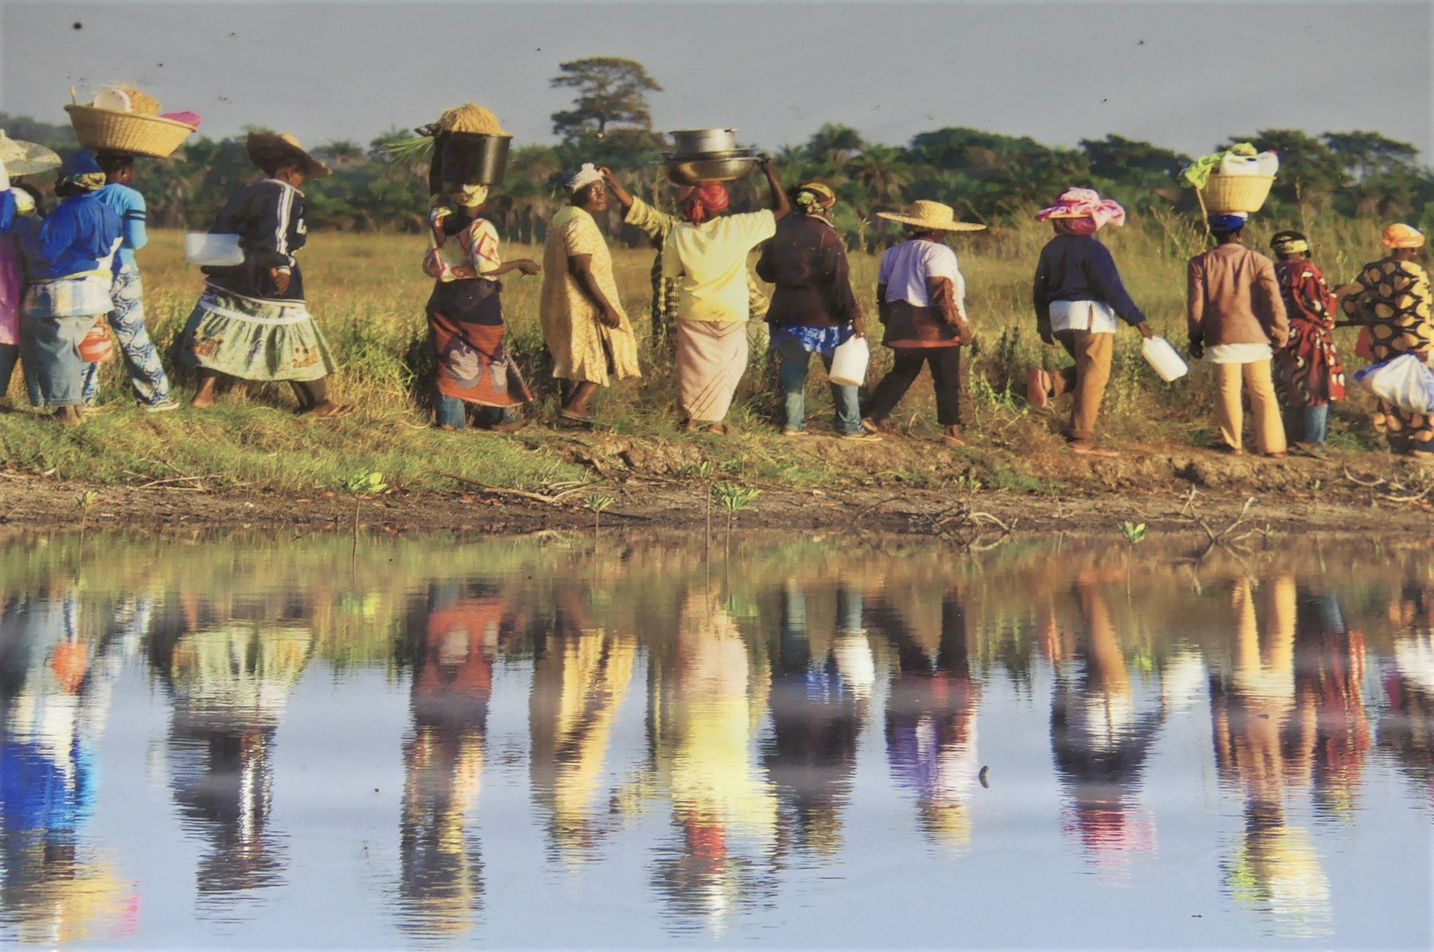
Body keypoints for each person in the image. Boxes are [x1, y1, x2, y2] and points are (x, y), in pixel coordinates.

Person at [179, 133, 346, 417]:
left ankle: (204, 393)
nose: (302, 181)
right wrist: (280, 267)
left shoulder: (246, 192)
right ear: (287, 171)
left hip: (232, 273)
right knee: (295, 333)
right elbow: (276, 232)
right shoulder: (283, 193)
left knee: (224, 329)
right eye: (301, 174)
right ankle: (317, 403)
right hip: (266, 275)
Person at [659, 158, 791, 434]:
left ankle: (691, 420)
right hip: (731, 310)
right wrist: (769, 172)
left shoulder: (679, 233)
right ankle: (715, 421)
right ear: (722, 204)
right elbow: (782, 209)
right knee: (730, 365)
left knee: (693, 367)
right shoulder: (739, 227)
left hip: (694, 309)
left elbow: (672, 272)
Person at [1028, 188, 1154, 457]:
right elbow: (1112, 289)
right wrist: (1138, 321)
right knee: (1095, 375)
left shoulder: (1050, 249)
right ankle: (1082, 437)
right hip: (1089, 315)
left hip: (1059, 315)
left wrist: (1043, 324)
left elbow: (1039, 289)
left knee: (1087, 368)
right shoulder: (1094, 249)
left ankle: (1051, 382)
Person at [755, 182, 876, 440]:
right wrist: (855, 316)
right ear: (826, 206)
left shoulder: (781, 231)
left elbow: (764, 272)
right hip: (825, 314)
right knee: (842, 367)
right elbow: (838, 281)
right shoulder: (827, 236)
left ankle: (791, 424)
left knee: (793, 368)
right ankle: (849, 426)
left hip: (785, 312)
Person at [599, 167, 769, 349]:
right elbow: (639, 211)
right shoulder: (672, 228)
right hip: (683, 328)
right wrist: (612, 183)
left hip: (698, 325)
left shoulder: (718, 235)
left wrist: (767, 312)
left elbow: (747, 286)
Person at [8, 151, 121, 425]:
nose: (57, 182)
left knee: (53, 350)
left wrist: (25, 223)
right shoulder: (107, 211)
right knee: (68, 351)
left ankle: (65, 413)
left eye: (60, 178)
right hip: (93, 294)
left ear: (72, 181)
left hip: (61, 295)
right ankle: (74, 410)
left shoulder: (69, 210)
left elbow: (46, 250)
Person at [861, 200, 985, 446]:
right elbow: (942, 294)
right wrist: (959, 327)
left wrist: (888, 323)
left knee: (902, 373)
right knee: (947, 379)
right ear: (940, 229)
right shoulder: (939, 253)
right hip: (935, 326)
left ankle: (872, 416)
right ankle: (952, 431)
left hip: (903, 322)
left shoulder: (893, 252)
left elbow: (882, 293)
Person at [422, 181, 539, 431]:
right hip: (476, 301)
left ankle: (449, 421)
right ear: (482, 201)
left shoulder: (440, 219)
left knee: (449, 356)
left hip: (443, 297)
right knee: (491, 355)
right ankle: (499, 418)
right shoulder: (482, 227)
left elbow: (436, 196)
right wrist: (520, 263)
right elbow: (485, 267)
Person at [538, 163, 640, 425]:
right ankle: (576, 406)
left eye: (603, 190)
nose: (601, 195)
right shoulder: (579, 222)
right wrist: (605, 306)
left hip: (560, 300)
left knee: (573, 358)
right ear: (576, 193)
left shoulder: (562, 217)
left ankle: (568, 414)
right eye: (594, 190)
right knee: (610, 349)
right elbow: (581, 270)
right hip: (582, 302)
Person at [1187, 213, 1290, 457]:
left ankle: (1232, 443)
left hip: (1221, 335)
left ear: (1213, 234)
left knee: (1227, 389)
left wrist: (1195, 337)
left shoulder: (1200, 262)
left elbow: (1196, 305)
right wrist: (1280, 332)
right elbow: (1273, 301)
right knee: (1263, 390)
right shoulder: (1259, 261)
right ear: (1241, 234)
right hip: (1256, 335)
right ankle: (1273, 446)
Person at [81, 150, 177, 412]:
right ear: (124, 171)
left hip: (87, 274)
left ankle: (82, 398)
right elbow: (136, 240)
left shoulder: (84, 194)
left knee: (89, 333)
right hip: (121, 271)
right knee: (132, 334)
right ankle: (154, 397)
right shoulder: (130, 196)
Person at [1338, 224, 1432, 456]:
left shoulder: (1373, 270)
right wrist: (1421, 346)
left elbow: (1350, 301)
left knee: (1392, 391)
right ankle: (1423, 444)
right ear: (1413, 249)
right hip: (1409, 343)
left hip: (1381, 342)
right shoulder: (1413, 273)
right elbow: (1414, 314)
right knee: (1420, 390)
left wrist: (1372, 319)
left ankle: (1397, 441)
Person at [1269, 231, 1345, 458]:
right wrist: (1336, 295)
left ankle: (1290, 437)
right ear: (1301, 250)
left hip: (1281, 334)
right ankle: (1313, 441)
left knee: (1291, 385)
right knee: (1317, 385)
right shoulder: (1306, 271)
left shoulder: (1271, 271)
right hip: (1307, 335)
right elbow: (1319, 309)